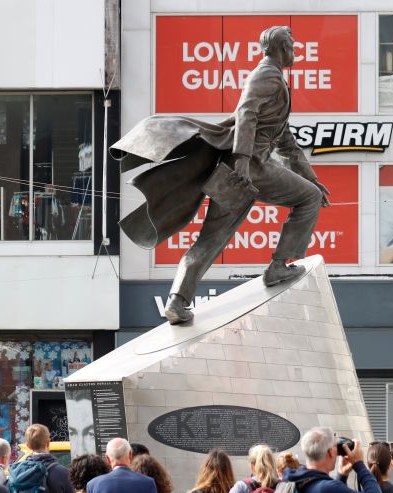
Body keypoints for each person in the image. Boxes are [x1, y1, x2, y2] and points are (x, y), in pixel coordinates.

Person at [113, 25, 330, 325]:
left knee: (210, 239)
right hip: (249, 168)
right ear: (280, 48)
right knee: (309, 198)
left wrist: (312, 177)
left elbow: (287, 145)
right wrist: (243, 159)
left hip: (236, 172)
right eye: (292, 45)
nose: (296, 51)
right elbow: (246, 112)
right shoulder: (267, 75)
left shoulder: (274, 80)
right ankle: (279, 265)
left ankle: (177, 301)